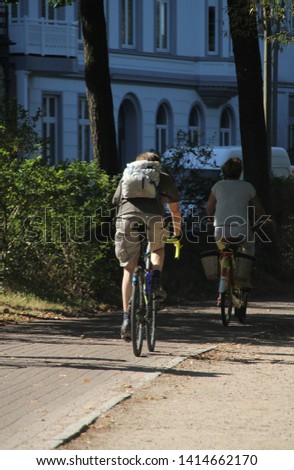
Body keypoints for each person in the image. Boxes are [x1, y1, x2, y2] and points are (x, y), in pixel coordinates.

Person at [113, 151, 181, 342]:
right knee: (158, 248)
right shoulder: (163, 177)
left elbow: (116, 201)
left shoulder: (127, 174)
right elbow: (175, 210)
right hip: (154, 219)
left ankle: (126, 319)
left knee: (128, 269)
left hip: (127, 219)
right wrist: (177, 232)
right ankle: (156, 281)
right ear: (157, 164)